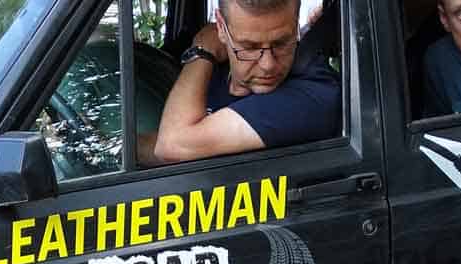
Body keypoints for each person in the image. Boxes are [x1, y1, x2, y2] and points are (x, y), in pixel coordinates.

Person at [141, 0, 341, 164]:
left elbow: (170, 146)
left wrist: (202, 50)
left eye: (281, 43)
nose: (268, 65)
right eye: (249, 47)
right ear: (221, 28)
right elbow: (159, 144)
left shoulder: (314, 94)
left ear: (296, 22)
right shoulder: (213, 73)